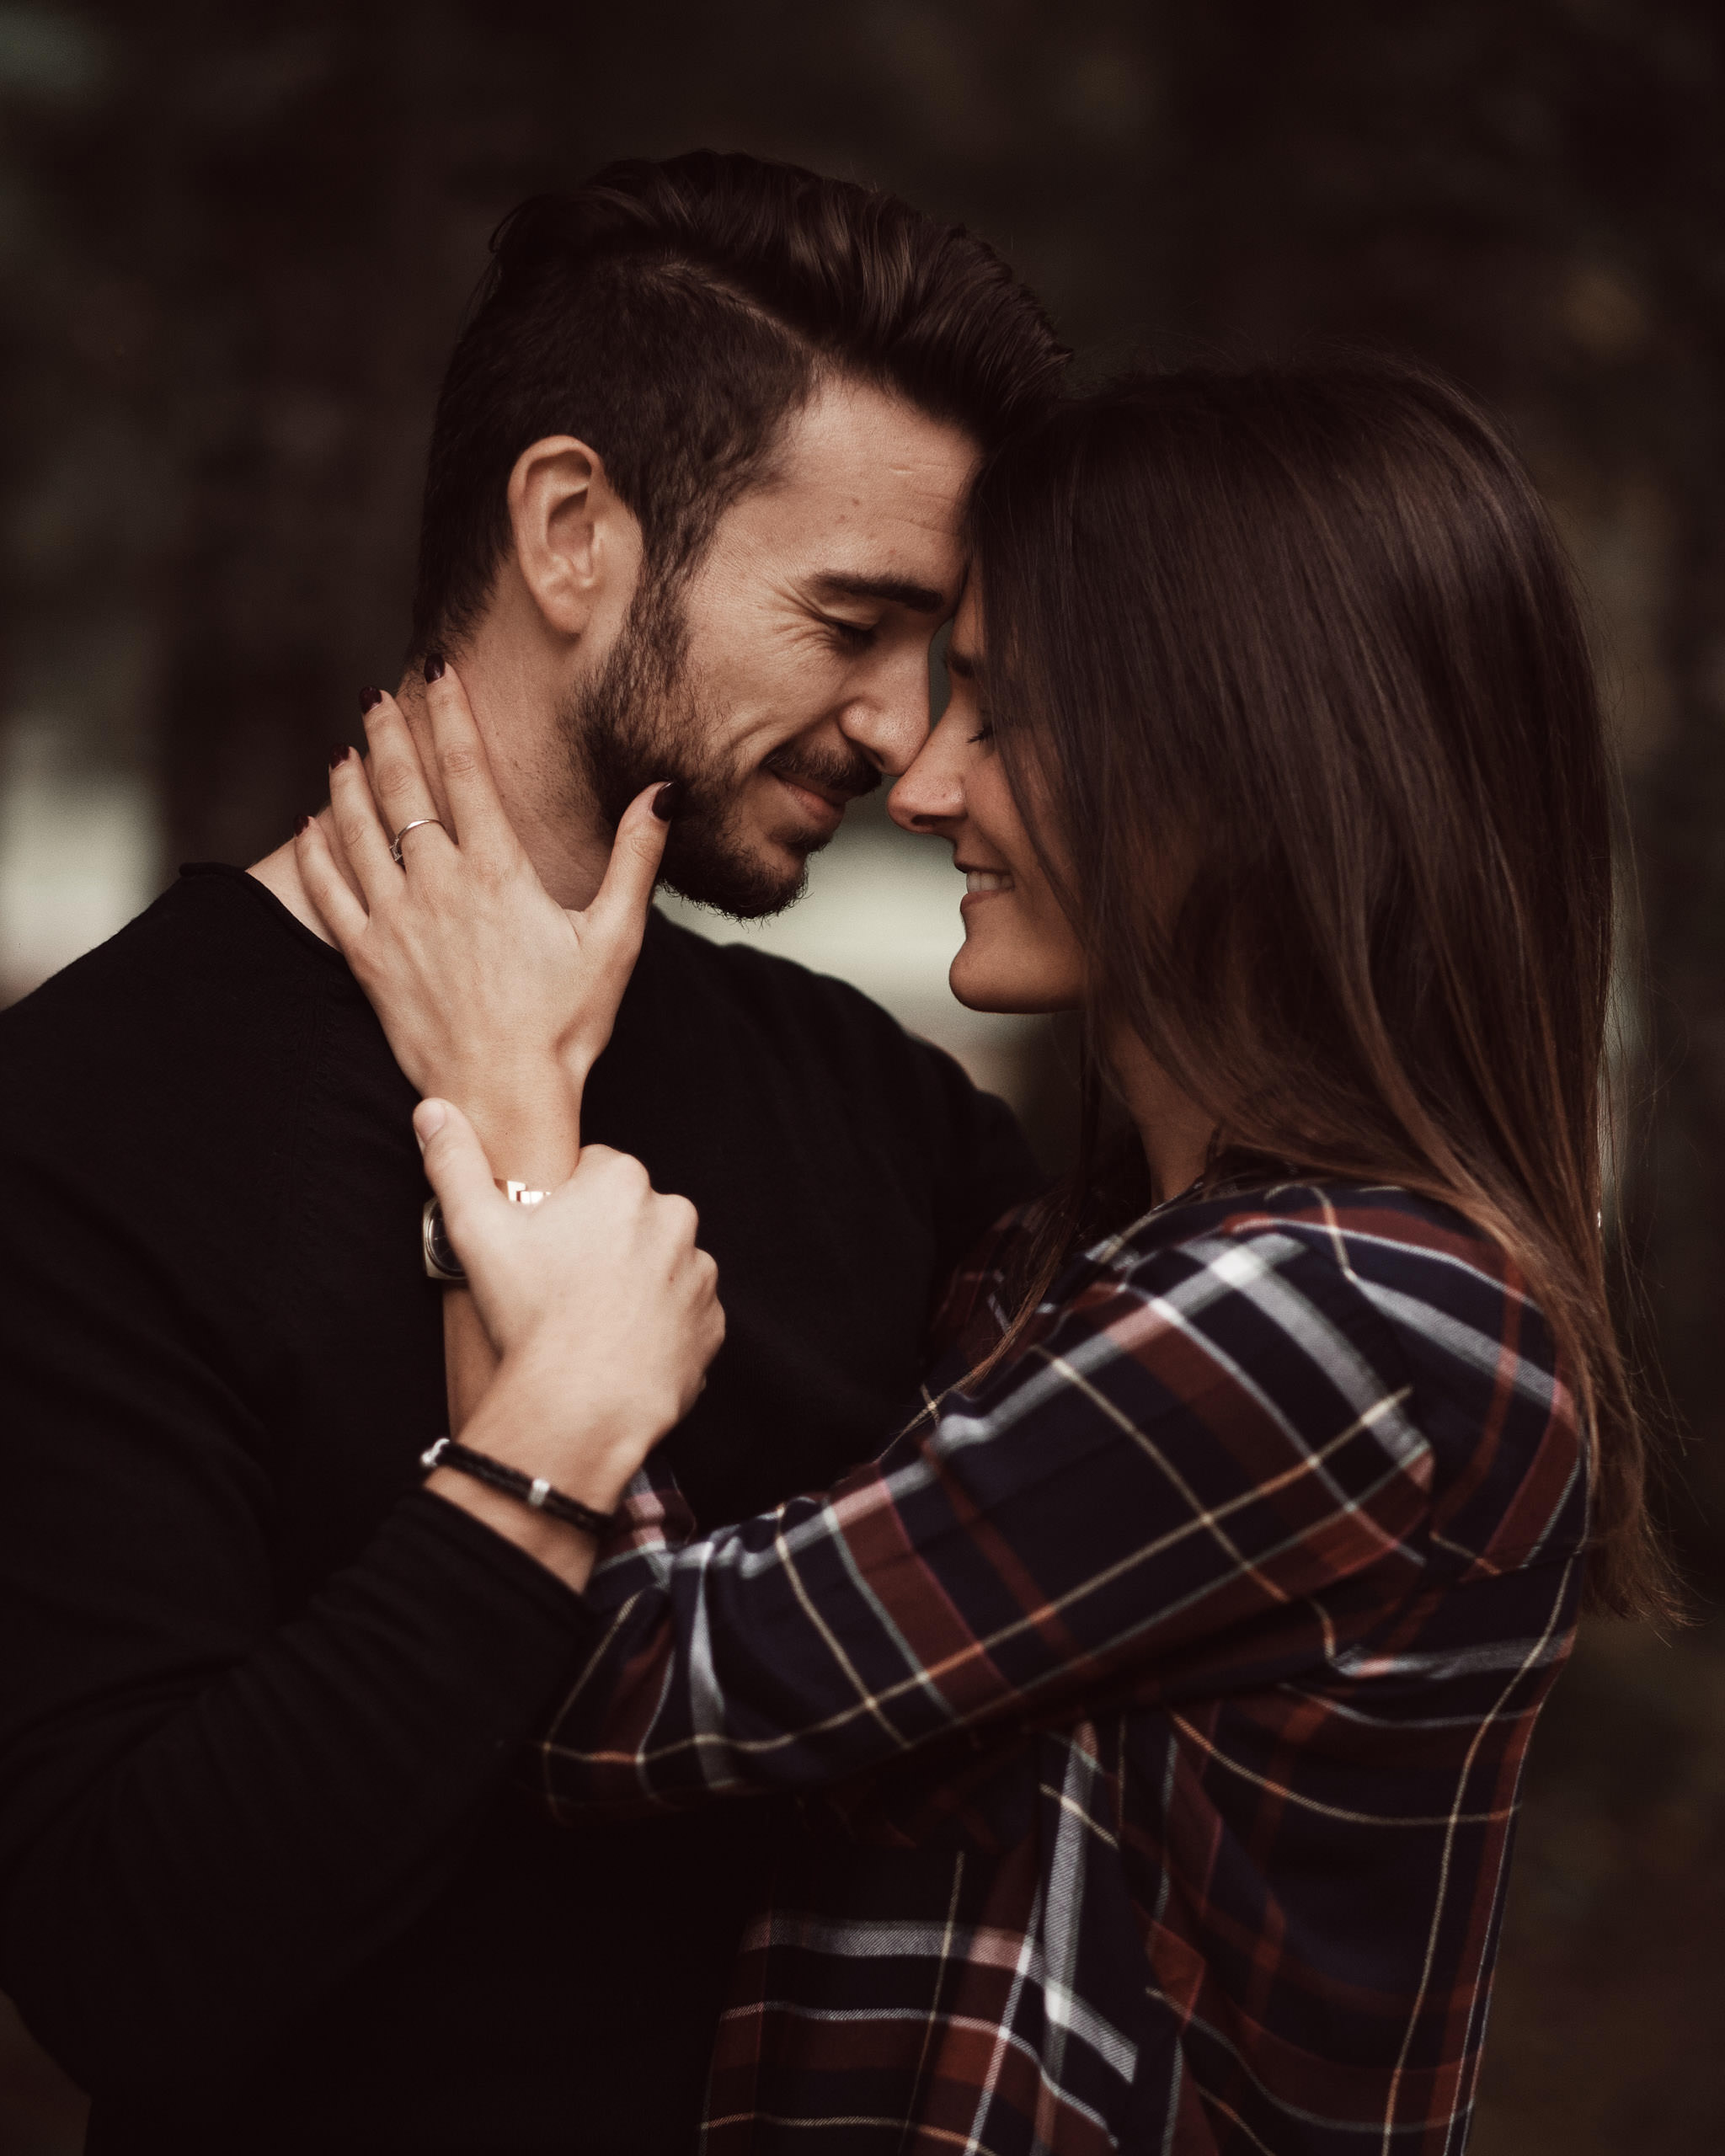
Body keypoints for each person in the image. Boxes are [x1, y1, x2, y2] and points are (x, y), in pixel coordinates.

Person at [296, 360, 1676, 2153]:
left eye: (1005, 717)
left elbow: (611, 1685)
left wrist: (504, 1098)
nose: (927, 780)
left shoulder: (1335, 1319)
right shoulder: (1098, 1259)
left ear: (1244, 763)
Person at [0, 154, 1067, 2153]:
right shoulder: (94, 1121)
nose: (904, 731)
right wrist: (538, 1458)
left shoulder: (888, 1114)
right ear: (573, 528)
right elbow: (121, 1959)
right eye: (853, 617)